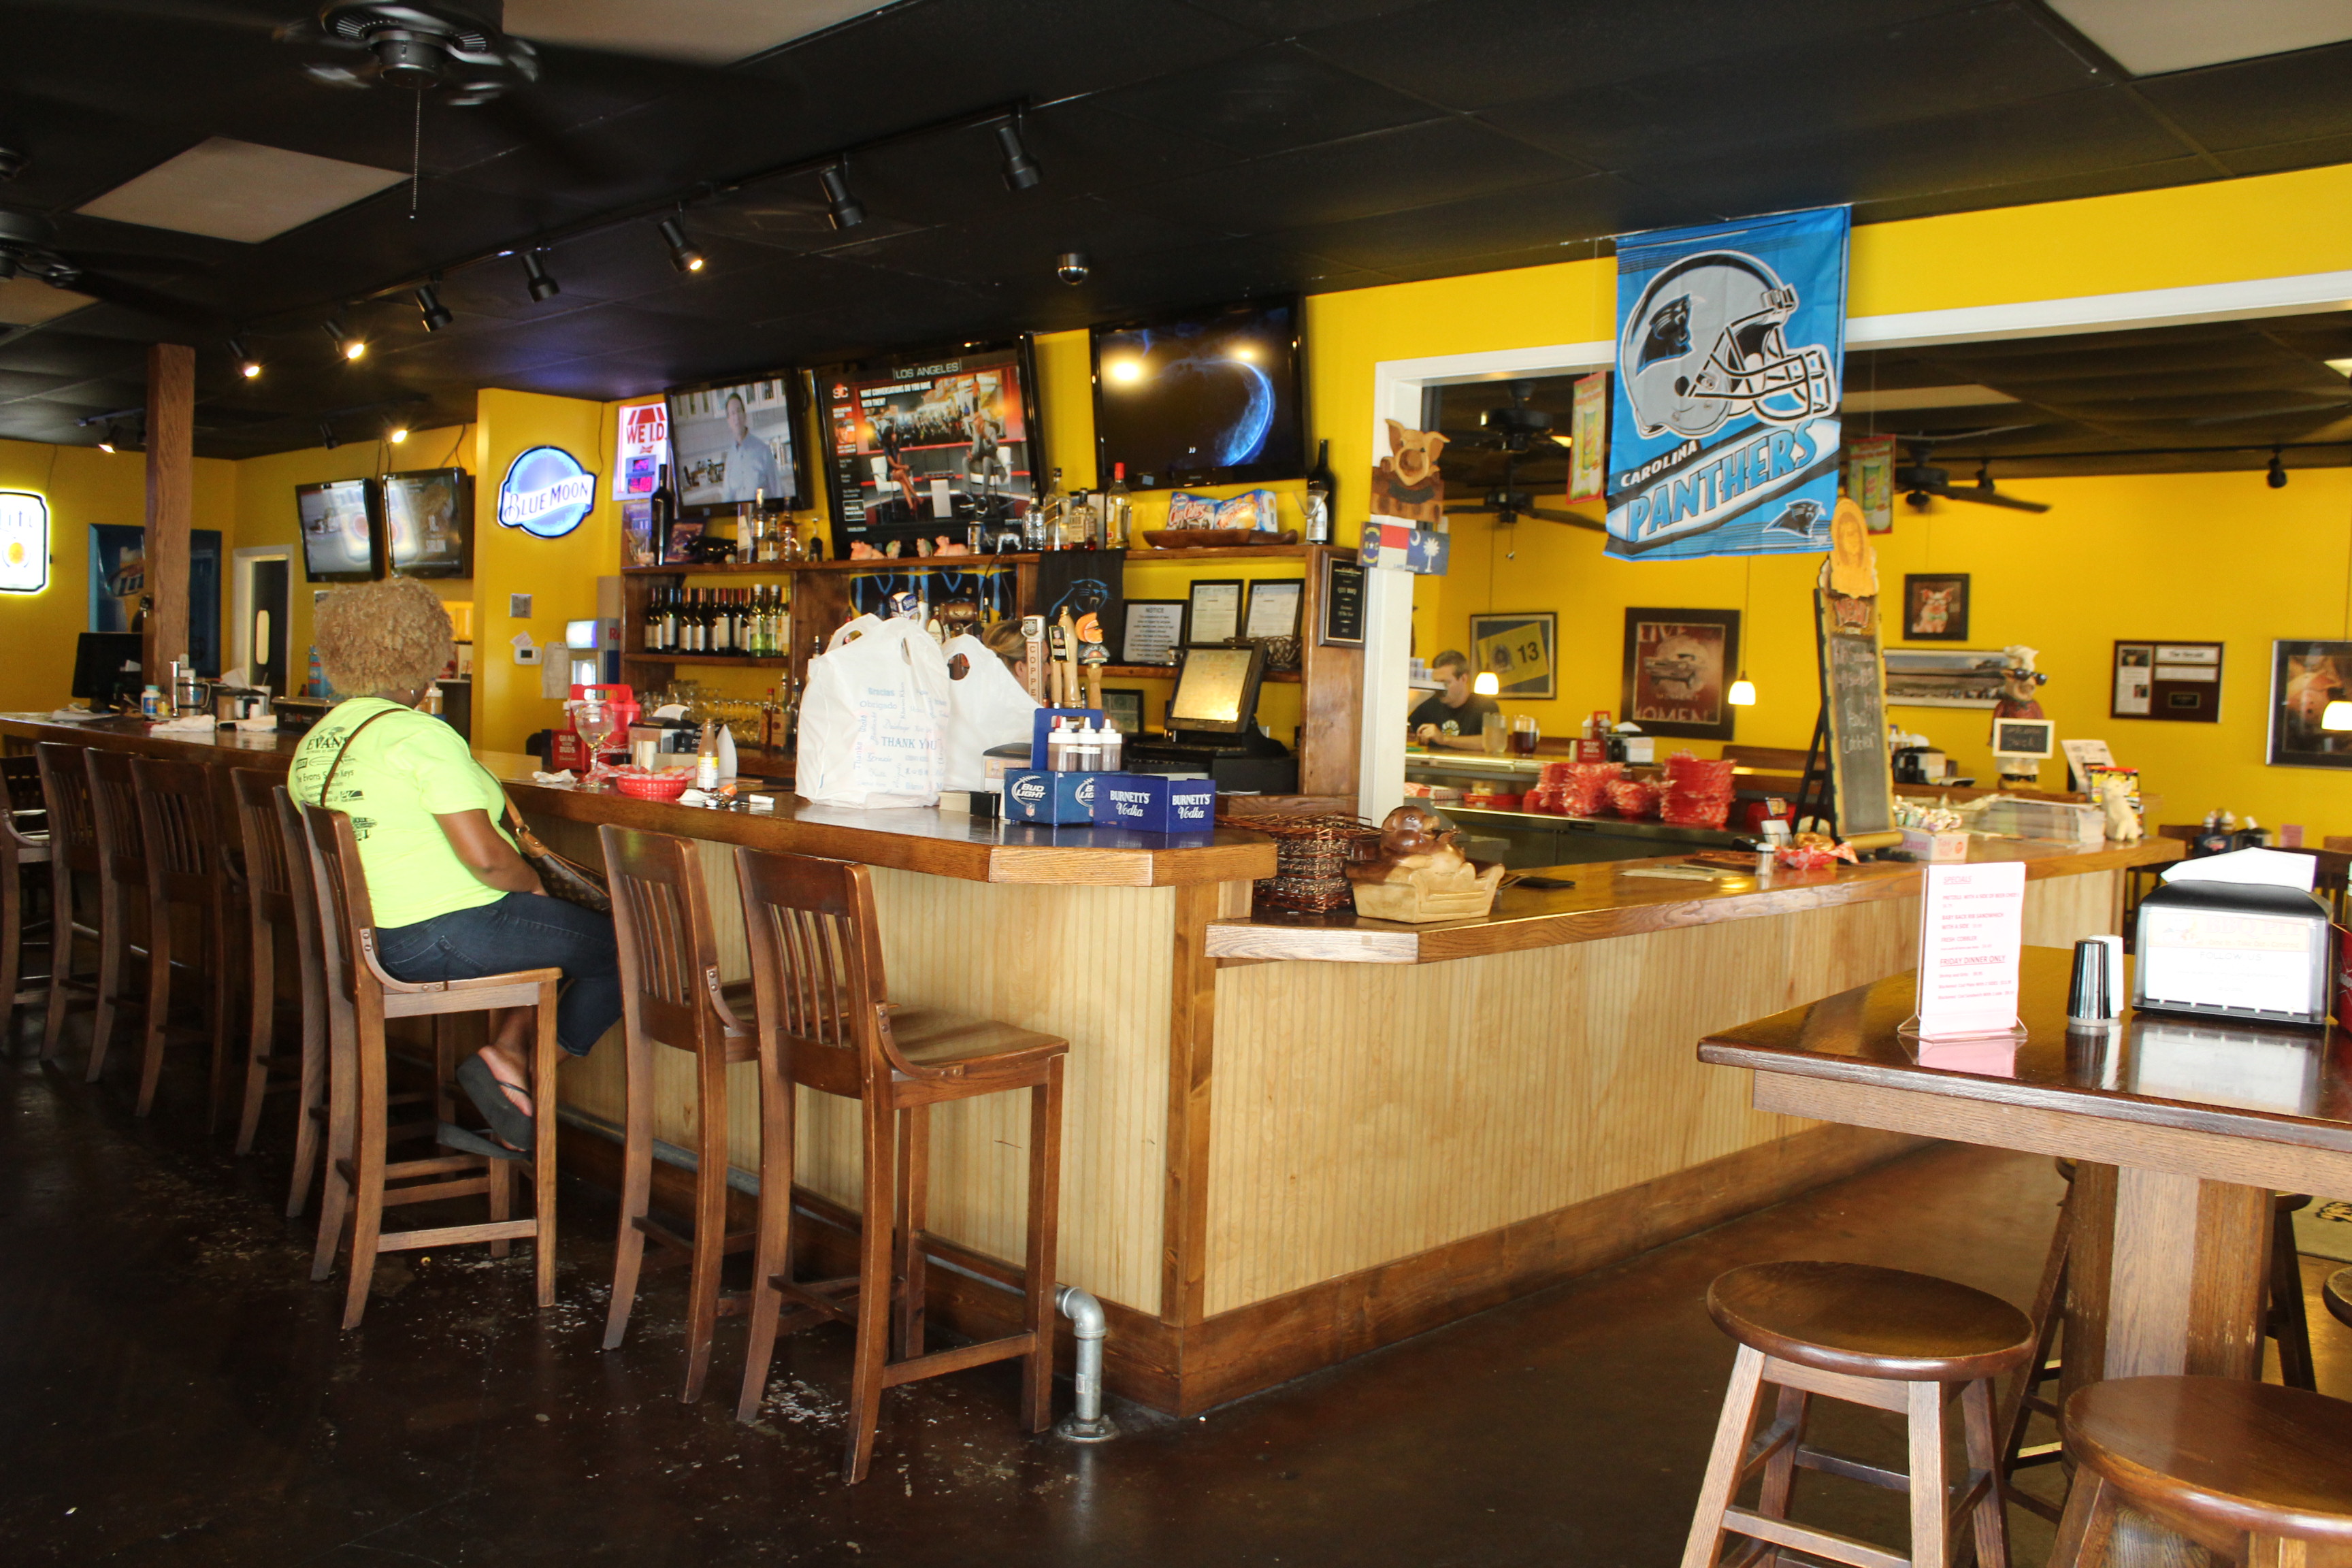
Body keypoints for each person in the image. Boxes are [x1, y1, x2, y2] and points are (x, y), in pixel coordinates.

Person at [289, 577, 619, 1152]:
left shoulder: (318, 740)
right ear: (424, 654)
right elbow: (487, 861)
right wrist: (534, 889)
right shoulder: (420, 735)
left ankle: (507, 1058)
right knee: (626, 949)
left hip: (361, 939)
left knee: (559, 938)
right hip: (437, 933)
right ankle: (524, 1073)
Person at [1410, 650, 1499, 750]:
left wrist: (1444, 739)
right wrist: (1409, 735)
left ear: (1464, 679)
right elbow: (1409, 729)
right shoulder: (1428, 704)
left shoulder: (1485, 706)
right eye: (1436, 683)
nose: (1440, 689)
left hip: (1468, 760)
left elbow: (1492, 742)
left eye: (1445, 683)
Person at [719, 391, 787, 503]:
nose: (736, 417)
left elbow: (778, 492)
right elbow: (727, 497)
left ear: (745, 415)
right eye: (732, 413)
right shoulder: (730, 458)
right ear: (728, 421)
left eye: (739, 411)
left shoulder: (763, 450)